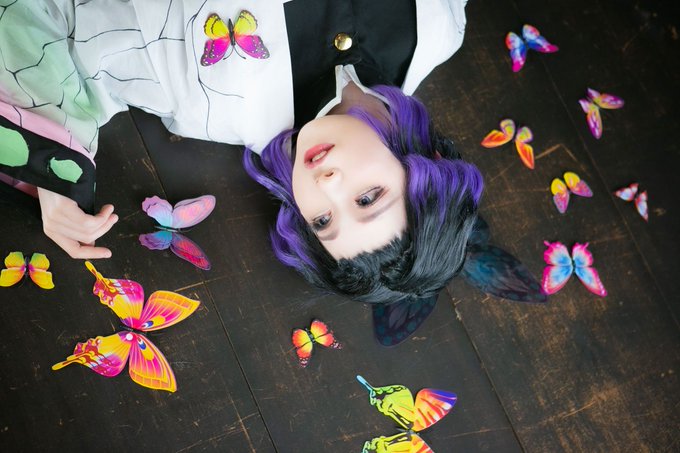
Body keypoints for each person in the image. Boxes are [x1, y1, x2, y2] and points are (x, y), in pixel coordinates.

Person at [0, 0, 482, 306]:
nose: (326, 186)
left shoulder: (203, 99)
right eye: (367, 198)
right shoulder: (438, 28)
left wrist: (52, 165)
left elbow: (44, 15)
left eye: (322, 221)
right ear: (427, 166)